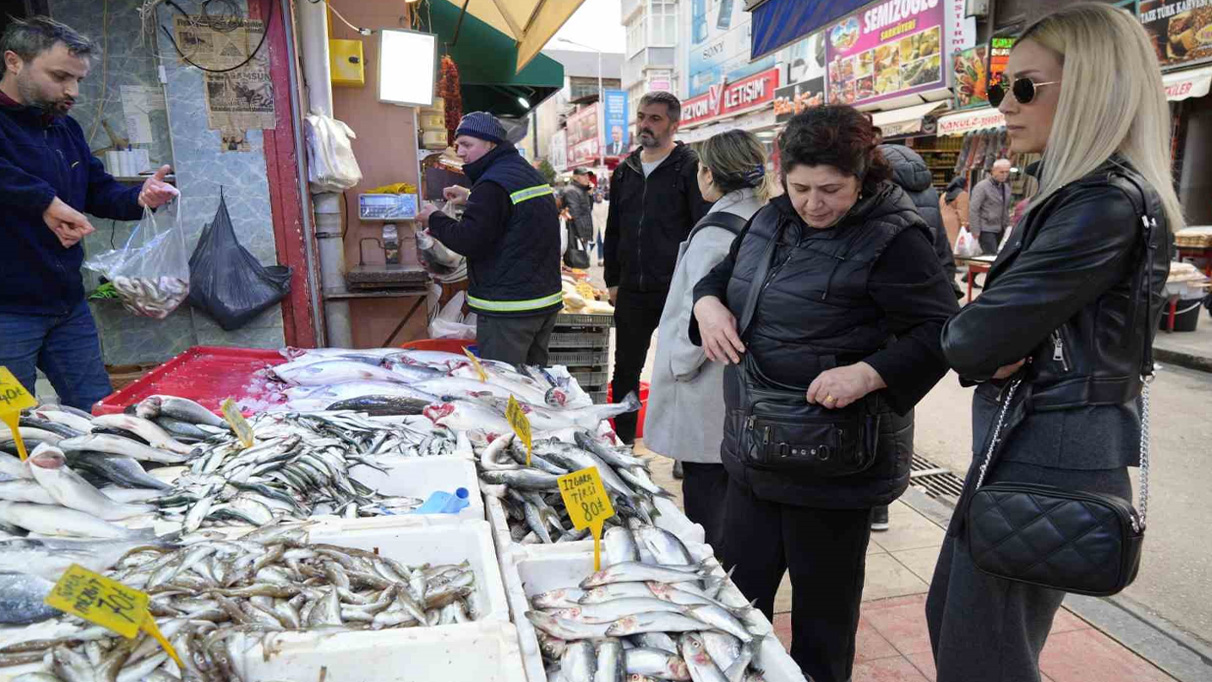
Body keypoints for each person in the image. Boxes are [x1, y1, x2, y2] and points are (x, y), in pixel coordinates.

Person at [926, 5, 1178, 682]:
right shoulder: (1081, 196)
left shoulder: (1101, 203)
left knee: (981, 656)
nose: (1006, 103)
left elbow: (974, 339)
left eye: (1025, 87)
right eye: (1002, 87)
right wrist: (991, 341)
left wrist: (986, 341)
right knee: (963, 628)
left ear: (1094, 87)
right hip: (1037, 438)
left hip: (1053, 448)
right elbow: (989, 337)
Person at [692, 106, 959, 682]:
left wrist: (869, 372)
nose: (813, 203)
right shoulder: (769, 218)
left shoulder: (895, 238)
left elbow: (941, 331)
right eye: (801, 187)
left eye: (831, 190)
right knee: (736, 602)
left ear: (863, 177)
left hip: (834, 462)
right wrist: (705, 302)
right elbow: (725, 277)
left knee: (823, 622)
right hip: (754, 445)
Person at [0, 17, 178, 411]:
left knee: (101, 413)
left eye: (78, 79)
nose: (72, 91)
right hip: (7, 312)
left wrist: (140, 199)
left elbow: (98, 192)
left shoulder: (64, 129)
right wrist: (44, 200)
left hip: (66, 306)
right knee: (11, 427)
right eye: (61, 76)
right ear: (14, 62)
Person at [645, 129, 770, 549]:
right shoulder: (761, 217)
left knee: (707, 492)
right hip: (744, 382)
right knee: (730, 488)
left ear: (709, 174)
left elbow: (692, 316)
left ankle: (715, 570)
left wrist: (679, 365)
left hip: (707, 383)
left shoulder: (715, 233)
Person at [604, 91, 710, 444]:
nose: (645, 125)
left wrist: (697, 286)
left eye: (655, 118)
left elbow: (702, 228)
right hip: (633, 289)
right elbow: (615, 227)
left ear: (674, 124)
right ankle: (622, 443)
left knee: (679, 368)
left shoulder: (690, 166)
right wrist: (613, 281)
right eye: (642, 116)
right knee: (626, 369)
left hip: (675, 288)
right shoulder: (625, 170)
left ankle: (682, 448)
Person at [417, 112, 562, 366]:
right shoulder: (521, 172)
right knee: (533, 384)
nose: (460, 152)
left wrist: (436, 219)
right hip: (542, 303)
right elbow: (511, 213)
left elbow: (468, 241)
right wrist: (472, 196)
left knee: (504, 386)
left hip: (509, 310)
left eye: (467, 145)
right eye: (457, 145)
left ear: (491, 144)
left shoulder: (492, 185)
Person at [969, 158, 1013, 255]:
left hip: (1001, 227)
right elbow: (974, 209)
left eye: (1007, 172)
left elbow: (1006, 207)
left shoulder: (1006, 187)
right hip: (986, 228)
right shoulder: (982, 186)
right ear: (993, 171)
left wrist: (1008, 224)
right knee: (990, 255)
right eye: (1001, 172)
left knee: (995, 256)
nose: (1004, 175)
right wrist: (975, 230)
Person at [562, 167, 595, 257]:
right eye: (583, 175)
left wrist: (590, 194)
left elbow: (588, 210)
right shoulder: (572, 191)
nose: (587, 178)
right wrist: (580, 235)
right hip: (575, 236)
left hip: (582, 234)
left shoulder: (582, 190)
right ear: (575, 177)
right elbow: (575, 214)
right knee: (578, 264)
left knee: (582, 262)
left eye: (588, 176)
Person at [939, 176, 970, 249]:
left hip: (942, 222)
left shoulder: (944, 194)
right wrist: (965, 226)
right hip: (954, 223)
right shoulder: (962, 194)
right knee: (955, 246)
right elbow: (963, 214)